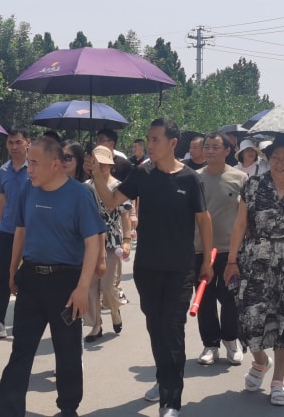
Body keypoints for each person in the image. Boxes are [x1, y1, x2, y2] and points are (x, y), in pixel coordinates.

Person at [88, 118, 212, 417]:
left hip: (180, 269)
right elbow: (112, 201)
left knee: (173, 329)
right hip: (148, 269)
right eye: (149, 138)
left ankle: (171, 400)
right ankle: (163, 377)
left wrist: (207, 262)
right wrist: (100, 175)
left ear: (173, 143)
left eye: (156, 139)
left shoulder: (189, 179)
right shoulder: (142, 173)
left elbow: (203, 219)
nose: (150, 144)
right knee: (156, 328)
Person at [0, 137, 104, 417]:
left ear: (55, 164)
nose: (29, 169)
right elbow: (20, 230)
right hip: (31, 279)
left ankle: (68, 407)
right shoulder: (28, 189)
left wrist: (82, 288)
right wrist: (12, 271)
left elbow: (93, 242)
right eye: (28, 162)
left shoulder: (79, 195)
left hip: (66, 283)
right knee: (21, 351)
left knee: (67, 351)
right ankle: (9, 411)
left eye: (34, 163)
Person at [223, 135, 284, 407]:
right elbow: (240, 224)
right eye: (275, 157)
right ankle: (261, 361)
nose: (280, 163)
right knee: (249, 318)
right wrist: (231, 261)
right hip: (256, 258)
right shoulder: (253, 185)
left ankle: (278, 381)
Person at [192, 133, 248, 367]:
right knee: (204, 300)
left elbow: (246, 216)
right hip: (200, 249)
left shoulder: (240, 178)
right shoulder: (194, 178)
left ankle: (231, 341)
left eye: (216, 147)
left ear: (227, 150)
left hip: (229, 250)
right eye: (207, 146)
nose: (210, 151)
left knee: (230, 298)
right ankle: (210, 344)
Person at [0, 129, 31, 339]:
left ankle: (26, 321)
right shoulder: (4, 170)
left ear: (28, 143)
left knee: (27, 277)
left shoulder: (35, 168)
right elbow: (2, 200)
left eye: (18, 142)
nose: (14, 147)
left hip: (31, 232)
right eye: (10, 143)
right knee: (3, 276)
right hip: (7, 230)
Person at [83, 145, 131, 342]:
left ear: (111, 165)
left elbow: (125, 215)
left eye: (104, 163)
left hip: (112, 241)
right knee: (91, 285)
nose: (100, 166)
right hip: (89, 239)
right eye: (97, 163)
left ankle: (114, 310)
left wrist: (127, 241)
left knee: (108, 286)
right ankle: (96, 325)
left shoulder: (118, 186)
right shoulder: (86, 186)